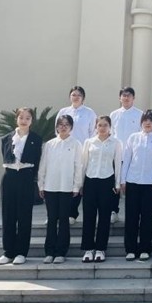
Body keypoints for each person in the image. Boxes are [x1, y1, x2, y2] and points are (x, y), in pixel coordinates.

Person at [0, 107, 43, 265]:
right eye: (21, 117)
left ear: (32, 120)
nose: (24, 121)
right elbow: (5, 157)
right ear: (16, 119)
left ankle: (21, 252)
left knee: (24, 216)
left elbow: (38, 161)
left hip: (26, 177)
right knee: (8, 215)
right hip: (9, 177)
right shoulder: (7, 138)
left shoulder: (36, 139)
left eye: (28, 118)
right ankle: (8, 252)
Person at [38, 114, 83, 264]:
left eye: (66, 124)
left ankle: (61, 252)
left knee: (64, 220)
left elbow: (78, 166)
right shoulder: (49, 144)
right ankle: (49, 251)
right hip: (50, 186)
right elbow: (43, 165)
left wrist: (76, 185)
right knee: (52, 219)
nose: (63, 127)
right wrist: (41, 184)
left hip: (67, 187)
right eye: (61, 124)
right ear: (57, 127)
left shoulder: (76, 144)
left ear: (71, 127)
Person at [120, 110, 152, 261]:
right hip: (133, 181)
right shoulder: (133, 137)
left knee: (146, 217)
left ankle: (145, 248)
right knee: (131, 217)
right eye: (145, 120)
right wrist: (123, 180)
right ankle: (130, 249)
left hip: (150, 184)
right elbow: (127, 159)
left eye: (151, 120)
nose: (147, 123)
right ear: (141, 122)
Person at [80, 116, 122, 263]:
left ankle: (100, 249)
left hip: (107, 180)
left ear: (110, 127)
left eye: (105, 125)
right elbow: (84, 163)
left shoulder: (116, 143)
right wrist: (80, 183)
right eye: (100, 125)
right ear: (95, 127)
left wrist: (117, 184)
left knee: (104, 216)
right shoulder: (89, 142)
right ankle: (88, 249)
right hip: (90, 180)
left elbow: (118, 164)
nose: (102, 128)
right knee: (89, 216)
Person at [56, 86, 97, 224]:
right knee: (63, 180)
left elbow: (93, 133)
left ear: (83, 98)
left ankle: (72, 213)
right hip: (64, 151)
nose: (76, 97)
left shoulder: (89, 113)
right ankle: (58, 213)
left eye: (79, 95)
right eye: (73, 94)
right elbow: (57, 131)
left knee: (77, 181)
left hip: (82, 151)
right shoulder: (63, 112)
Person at [109, 87, 143, 224]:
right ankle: (114, 210)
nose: (126, 98)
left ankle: (135, 212)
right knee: (115, 183)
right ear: (120, 98)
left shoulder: (140, 114)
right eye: (124, 95)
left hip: (134, 156)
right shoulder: (114, 114)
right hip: (117, 154)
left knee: (132, 185)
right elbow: (111, 134)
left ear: (133, 98)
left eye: (129, 95)